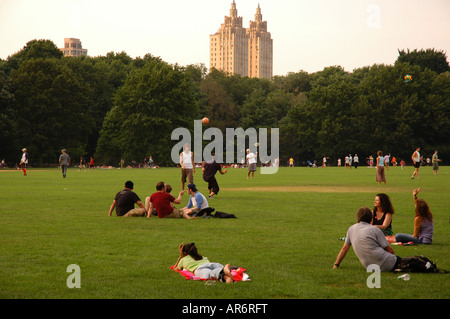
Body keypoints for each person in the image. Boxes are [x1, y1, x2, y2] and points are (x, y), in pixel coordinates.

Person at [333, 207, 400, 272]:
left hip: (370, 267)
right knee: (409, 262)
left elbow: (344, 248)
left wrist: (336, 264)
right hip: (387, 261)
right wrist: (395, 260)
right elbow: (389, 249)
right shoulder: (375, 229)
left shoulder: (351, 229)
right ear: (371, 218)